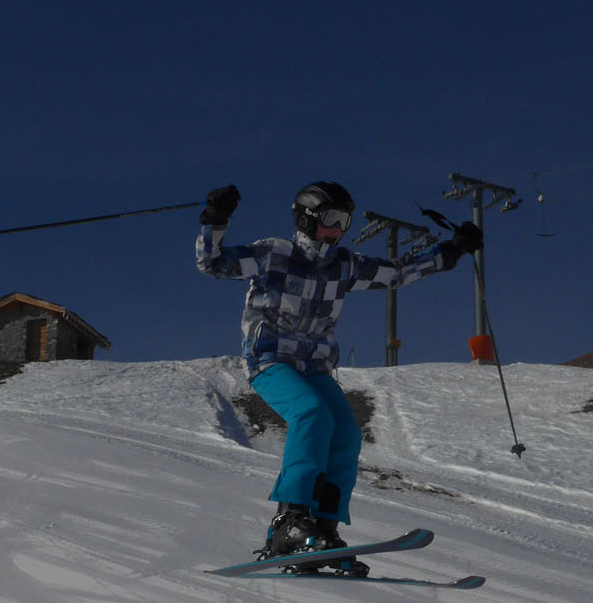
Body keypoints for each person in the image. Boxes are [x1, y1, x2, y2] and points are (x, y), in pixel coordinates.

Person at [195, 180, 483, 574]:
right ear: (306, 218)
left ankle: (324, 526)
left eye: (344, 221)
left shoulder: (344, 265)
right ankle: (290, 521)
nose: (337, 229)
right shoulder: (272, 254)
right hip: (270, 360)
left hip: (315, 367)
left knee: (346, 433)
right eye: (330, 218)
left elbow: (397, 274)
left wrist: (453, 250)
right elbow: (212, 263)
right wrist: (216, 219)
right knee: (311, 414)